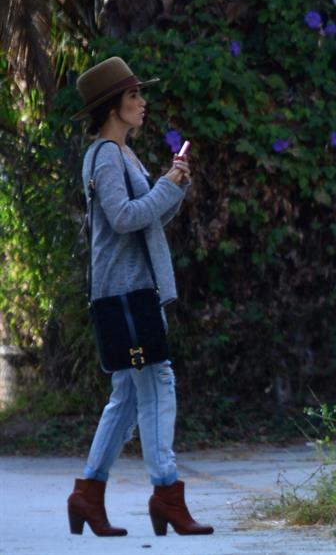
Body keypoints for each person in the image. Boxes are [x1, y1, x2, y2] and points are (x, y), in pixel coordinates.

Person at [67, 57, 214, 536]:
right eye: (134, 96)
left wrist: (174, 188)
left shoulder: (122, 154)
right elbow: (124, 217)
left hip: (132, 289)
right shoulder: (107, 155)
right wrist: (165, 189)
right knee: (158, 381)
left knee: (128, 396)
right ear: (113, 107)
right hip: (124, 292)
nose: (142, 102)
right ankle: (167, 493)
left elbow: (144, 221)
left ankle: (88, 494)